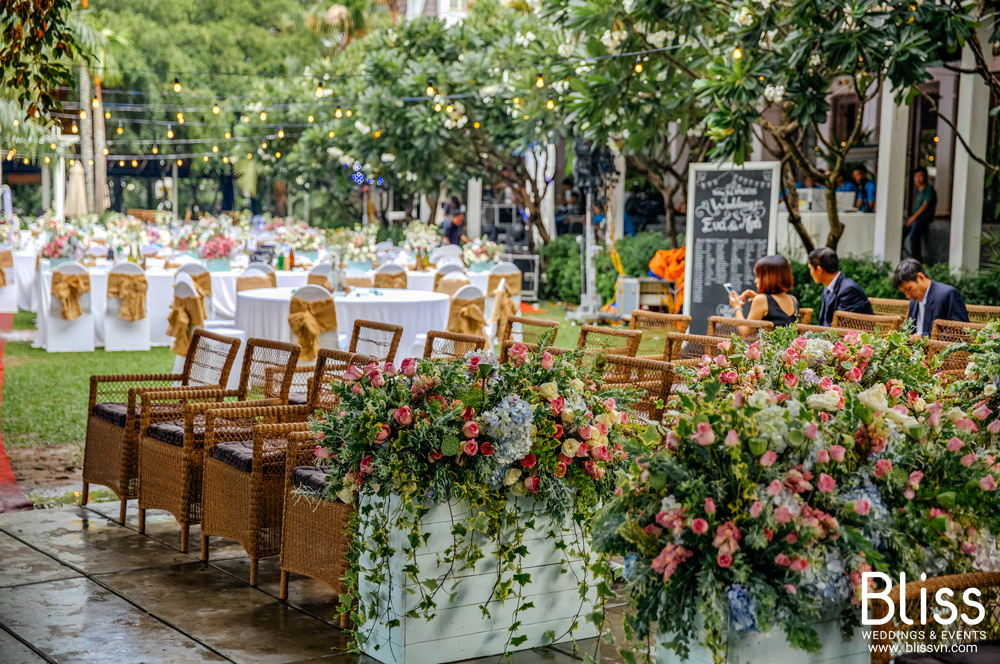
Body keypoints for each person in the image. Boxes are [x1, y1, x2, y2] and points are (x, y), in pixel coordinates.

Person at [891, 259, 969, 337]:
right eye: (904, 292)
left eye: (908, 289)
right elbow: (909, 332)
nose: (908, 296)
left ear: (920, 277)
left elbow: (960, 331)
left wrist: (924, 337)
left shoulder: (947, 294)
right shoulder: (913, 302)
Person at [807, 247, 874, 326]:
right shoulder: (828, 288)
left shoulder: (849, 290)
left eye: (810, 269)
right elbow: (825, 324)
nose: (810, 273)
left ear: (819, 270)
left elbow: (841, 326)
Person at [728, 255, 799, 328]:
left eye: (759, 276)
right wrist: (760, 298)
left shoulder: (761, 300)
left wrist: (737, 307)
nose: (755, 281)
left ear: (769, 278)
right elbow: (780, 316)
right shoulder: (793, 299)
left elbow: (745, 331)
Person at [906, 167, 937, 263]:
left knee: (914, 235)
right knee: (901, 232)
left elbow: (925, 205)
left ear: (925, 177)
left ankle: (917, 261)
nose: (917, 179)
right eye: (915, 176)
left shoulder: (929, 189)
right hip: (914, 217)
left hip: (924, 218)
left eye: (920, 176)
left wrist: (913, 218)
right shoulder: (918, 190)